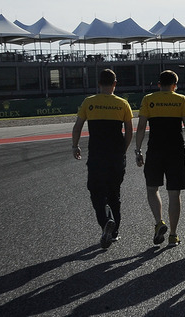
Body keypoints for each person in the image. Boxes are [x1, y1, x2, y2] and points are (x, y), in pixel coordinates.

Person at [72, 69, 134, 249]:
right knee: (114, 193)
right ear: (115, 84)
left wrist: (75, 146)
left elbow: (77, 127)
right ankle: (114, 233)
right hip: (116, 155)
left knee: (96, 191)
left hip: (97, 155)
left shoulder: (89, 102)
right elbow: (129, 131)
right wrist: (124, 149)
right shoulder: (123, 104)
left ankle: (106, 220)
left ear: (99, 84)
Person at [133, 70, 185, 247]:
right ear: (175, 85)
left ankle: (159, 222)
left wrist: (138, 150)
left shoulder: (148, 99)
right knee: (174, 193)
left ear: (159, 84)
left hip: (155, 150)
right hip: (176, 150)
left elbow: (141, 127)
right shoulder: (181, 99)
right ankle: (173, 235)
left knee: (152, 188)